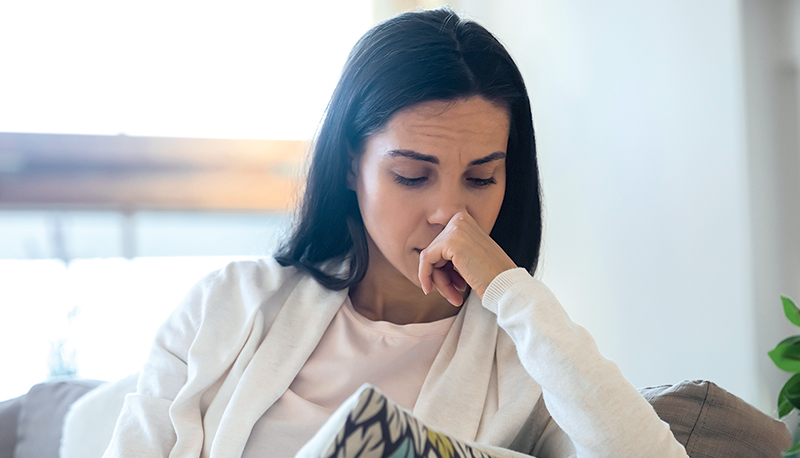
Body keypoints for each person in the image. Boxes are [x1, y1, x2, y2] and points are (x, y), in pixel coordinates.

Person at [103, 8, 689, 458]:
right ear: (350, 166)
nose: (448, 215)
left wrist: (512, 290)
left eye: (481, 178)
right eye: (412, 175)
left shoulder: (525, 362)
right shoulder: (226, 307)